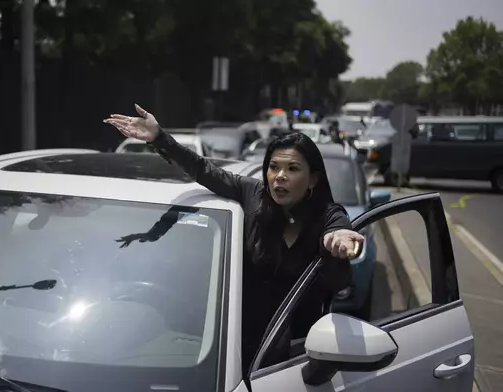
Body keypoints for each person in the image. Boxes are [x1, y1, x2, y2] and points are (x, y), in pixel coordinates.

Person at [104, 104, 364, 370]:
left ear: (313, 179)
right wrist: (160, 138)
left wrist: (337, 246)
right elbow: (203, 169)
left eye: (293, 169)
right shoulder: (252, 194)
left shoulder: (329, 216)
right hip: (239, 349)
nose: (280, 177)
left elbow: (339, 270)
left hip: (300, 355)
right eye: (274, 167)